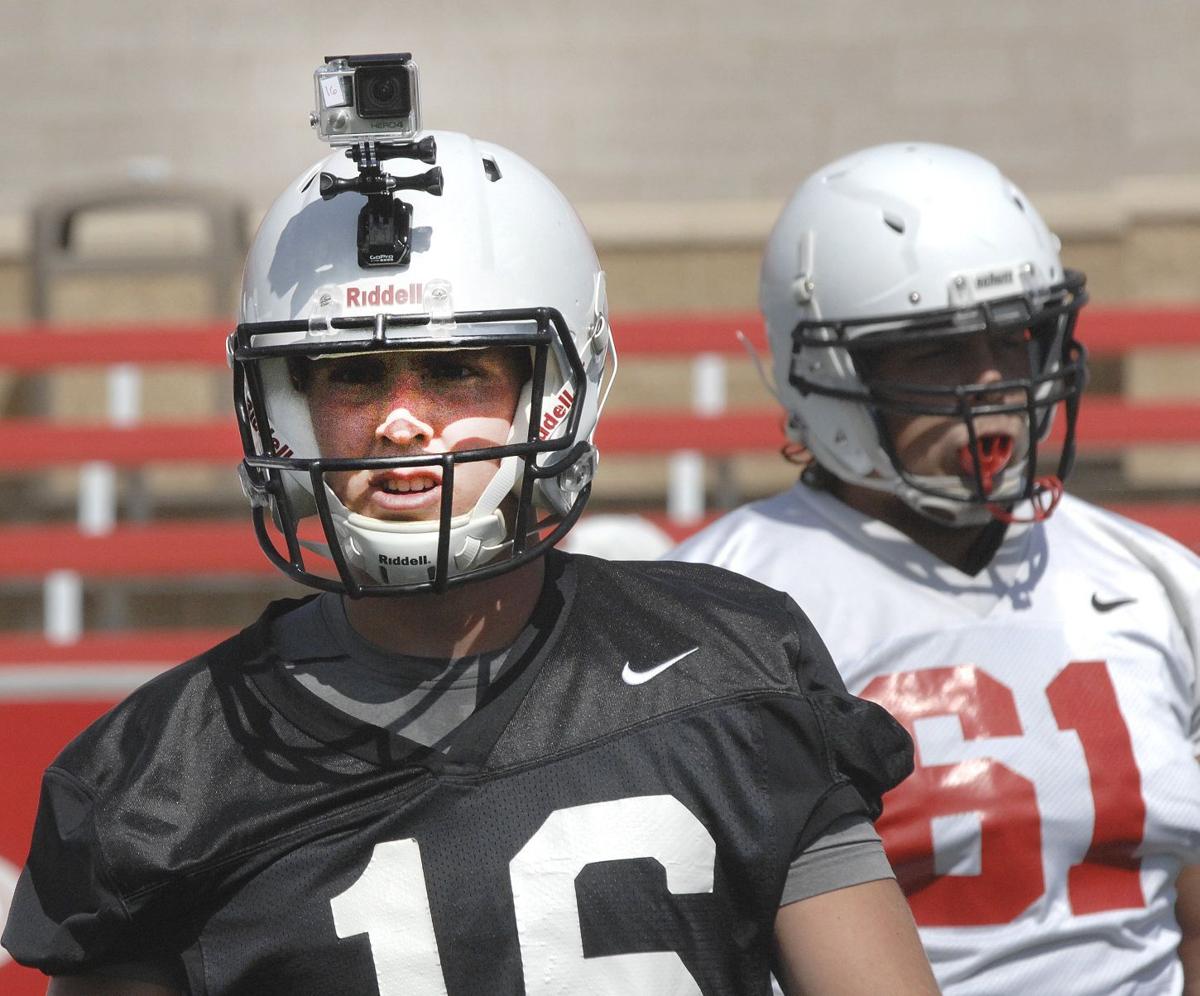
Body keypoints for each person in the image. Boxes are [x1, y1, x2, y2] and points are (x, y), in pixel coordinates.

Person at [0, 70, 938, 994]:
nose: (400, 422)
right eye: (352, 377)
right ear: (284, 410)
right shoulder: (156, 781)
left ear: (553, 392)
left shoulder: (732, 670)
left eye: (454, 372)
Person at [669, 141, 1200, 994]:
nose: (993, 383)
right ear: (827, 373)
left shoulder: (1158, 583)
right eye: (934, 350)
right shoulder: (718, 606)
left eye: (1013, 338)